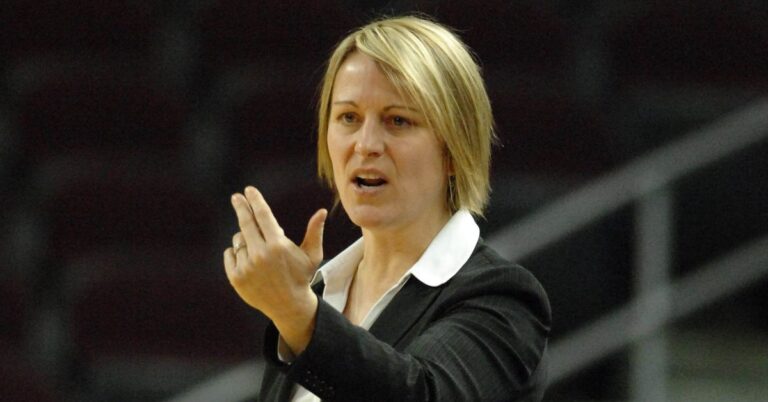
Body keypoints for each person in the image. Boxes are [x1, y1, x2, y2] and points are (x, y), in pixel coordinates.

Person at [223, 15, 551, 402]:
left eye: (398, 121)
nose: (366, 144)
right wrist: (299, 306)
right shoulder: (320, 293)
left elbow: (423, 394)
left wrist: (295, 312)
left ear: (454, 149)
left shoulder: (503, 297)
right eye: (349, 118)